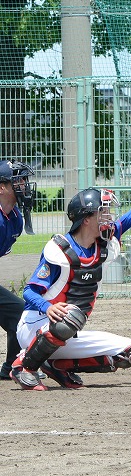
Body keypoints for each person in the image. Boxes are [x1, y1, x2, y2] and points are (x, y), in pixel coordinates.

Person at [9, 173, 131, 391]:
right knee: (70, 316)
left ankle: (54, 365)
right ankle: (24, 367)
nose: (109, 217)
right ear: (86, 219)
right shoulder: (60, 250)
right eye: (102, 212)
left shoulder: (104, 242)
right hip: (34, 327)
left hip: (67, 331)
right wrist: (48, 307)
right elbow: (29, 292)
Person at [0, 160, 36, 381]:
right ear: (1, 187)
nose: (24, 185)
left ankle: (11, 367)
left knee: (20, 314)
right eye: (17, 181)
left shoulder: (15, 219)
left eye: (23, 180)